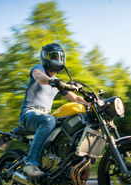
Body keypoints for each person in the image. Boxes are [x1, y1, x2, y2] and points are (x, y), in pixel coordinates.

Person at [19, 43, 87, 177]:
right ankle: (30, 163)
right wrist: (53, 82)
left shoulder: (57, 82)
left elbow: (74, 97)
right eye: (53, 56)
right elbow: (38, 76)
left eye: (59, 57)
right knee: (49, 120)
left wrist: (90, 101)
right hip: (29, 113)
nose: (56, 59)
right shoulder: (40, 70)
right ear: (45, 58)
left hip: (45, 116)